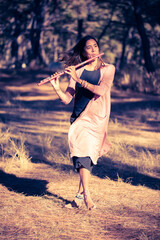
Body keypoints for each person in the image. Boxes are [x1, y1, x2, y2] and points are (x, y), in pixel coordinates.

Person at [50, 35, 115, 210]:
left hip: (97, 118)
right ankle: (87, 196)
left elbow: (101, 90)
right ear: (84, 52)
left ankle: (78, 198)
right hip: (80, 118)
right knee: (83, 155)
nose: (94, 50)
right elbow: (67, 99)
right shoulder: (77, 70)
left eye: (95, 46)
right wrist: (56, 87)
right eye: (89, 47)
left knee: (89, 157)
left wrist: (79, 80)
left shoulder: (109, 69)